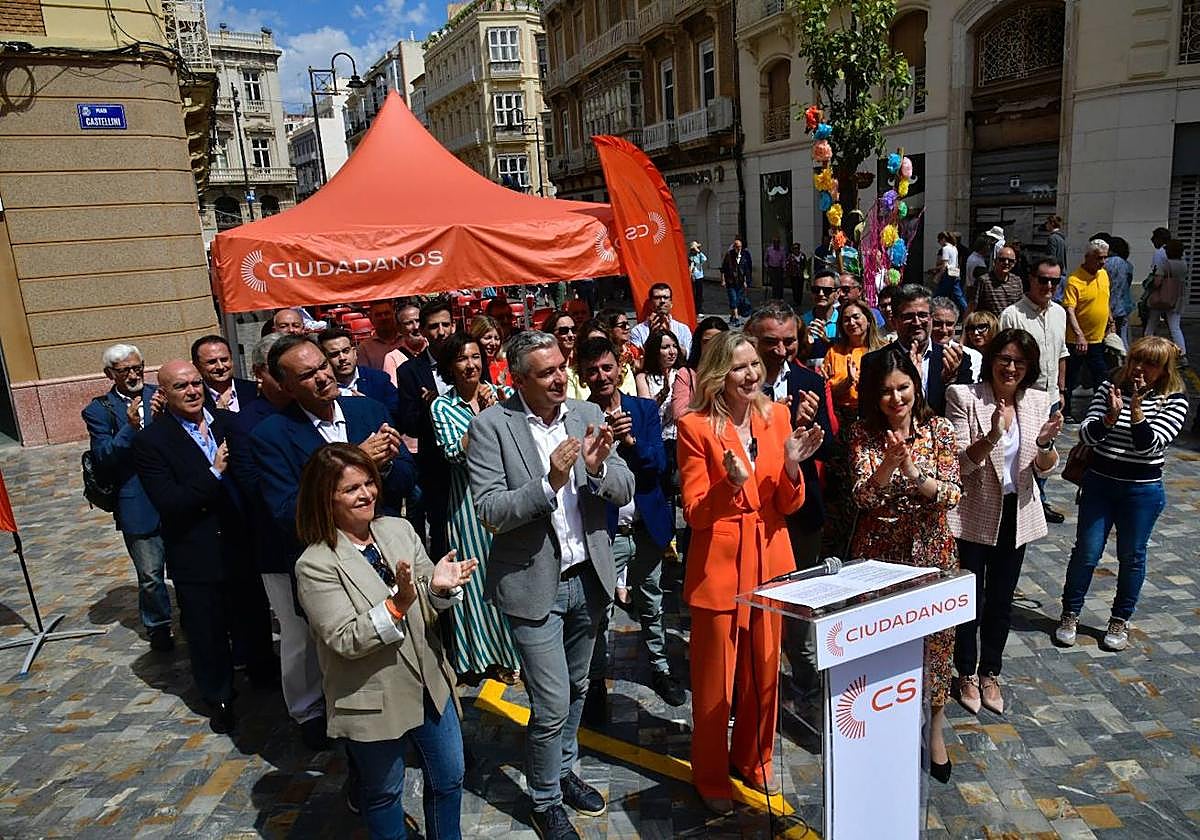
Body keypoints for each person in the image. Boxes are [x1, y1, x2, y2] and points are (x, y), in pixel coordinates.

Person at [465, 330, 634, 839]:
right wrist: (548, 484)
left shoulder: (586, 413)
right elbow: (490, 510)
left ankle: (563, 771)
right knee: (552, 699)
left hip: (589, 578)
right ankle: (544, 799)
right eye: (547, 372)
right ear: (519, 380)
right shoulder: (491, 427)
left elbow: (625, 486)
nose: (561, 378)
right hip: (532, 584)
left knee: (578, 687)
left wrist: (596, 470)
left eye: (562, 366)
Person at [294, 443, 475, 838]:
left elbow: (427, 599)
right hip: (371, 698)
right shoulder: (315, 564)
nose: (367, 494)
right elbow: (344, 638)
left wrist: (440, 589)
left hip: (429, 684)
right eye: (351, 489)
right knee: (384, 794)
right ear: (325, 498)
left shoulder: (398, 529)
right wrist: (397, 605)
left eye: (369, 483)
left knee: (449, 779)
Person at [676, 331, 823, 814]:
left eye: (755, 364)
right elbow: (696, 513)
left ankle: (755, 759)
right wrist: (729, 486)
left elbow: (787, 504)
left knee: (764, 673)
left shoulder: (777, 416)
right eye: (740, 367)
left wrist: (794, 468)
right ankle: (710, 774)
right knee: (715, 683)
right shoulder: (695, 427)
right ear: (719, 375)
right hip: (719, 569)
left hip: (770, 560)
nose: (751, 374)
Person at [134, 360, 275, 734]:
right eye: (181, 386)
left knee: (252, 616)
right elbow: (170, 501)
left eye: (196, 383)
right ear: (164, 394)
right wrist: (213, 473)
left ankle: (263, 674)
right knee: (206, 631)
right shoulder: (152, 442)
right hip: (195, 551)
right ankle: (220, 697)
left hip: (240, 543)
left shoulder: (226, 424)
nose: (193, 391)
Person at [848, 347, 961, 782]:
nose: (896, 399)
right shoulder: (863, 433)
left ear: (916, 386)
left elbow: (952, 494)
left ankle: (934, 729)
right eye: (886, 392)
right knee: (882, 644)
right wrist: (885, 468)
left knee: (937, 645)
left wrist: (913, 472)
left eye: (903, 388)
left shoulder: (939, 429)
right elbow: (862, 497)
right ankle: (884, 727)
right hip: (880, 556)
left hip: (932, 554)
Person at [946, 329, 1062, 716]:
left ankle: (990, 671)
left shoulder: (1038, 401)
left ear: (1029, 368)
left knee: (1001, 599)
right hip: (973, 513)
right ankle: (965, 671)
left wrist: (1044, 445)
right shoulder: (964, 397)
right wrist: (993, 434)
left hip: (1017, 512)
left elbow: (1044, 469)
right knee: (969, 599)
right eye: (1004, 359)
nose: (1010, 368)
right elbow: (960, 463)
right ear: (991, 360)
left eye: (1019, 362)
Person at [225, 333, 328, 745]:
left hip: (327, 538)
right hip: (279, 544)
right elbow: (257, 490)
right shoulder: (249, 424)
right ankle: (307, 711)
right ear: (268, 375)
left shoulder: (322, 410)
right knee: (298, 634)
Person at [1055, 337, 1188, 652]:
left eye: (1150, 363)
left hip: (1141, 492)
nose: (1140, 368)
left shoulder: (1174, 399)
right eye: (1136, 360)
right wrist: (1109, 419)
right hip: (1100, 485)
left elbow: (1150, 446)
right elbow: (1086, 434)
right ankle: (1070, 613)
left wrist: (1137, 410)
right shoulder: (1110, 387)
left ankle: (1120, 619)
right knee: (1086, 552)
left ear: (1164, 369)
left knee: (1132, 556)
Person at [579, 337, 685, 715]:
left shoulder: (643, 409)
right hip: (604, 531)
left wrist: (629, 440)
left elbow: (658, 466)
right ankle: (595, 682)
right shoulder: (579, 415)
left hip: (644, 526)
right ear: (582, 375)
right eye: (592, 371)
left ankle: (660, 668)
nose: (601, 376)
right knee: (599, 610)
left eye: (607, 367)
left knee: (652, 601)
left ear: (619, 368)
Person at [428, 333, 521, 684]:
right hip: (468, 504)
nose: (471, 365)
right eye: (462, 359)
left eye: (475, 357)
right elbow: (455, 453)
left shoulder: (504, 395)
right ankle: (484, 656)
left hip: (506, 495)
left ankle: (516, 651)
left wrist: (497, 406)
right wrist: (482, 416)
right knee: (479, 581)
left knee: (511, 577)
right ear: (450, 367)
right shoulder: (442, 406)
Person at [82, 344, 172, 651]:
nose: (134, 375)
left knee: (186, 564)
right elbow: (104, 456)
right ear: (110, 374)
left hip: (173, 494)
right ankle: (158, 627)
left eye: (138, 368)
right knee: (150, 574)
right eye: (125, 371)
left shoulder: (160, 395)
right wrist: (130, 429)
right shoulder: (99, 410)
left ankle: (194, 617)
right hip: (137, 502)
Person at [395, 300, 457, 557]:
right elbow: (408, 423)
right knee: (442, 531)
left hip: (474, 461)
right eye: (433, 326)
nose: (441, 332)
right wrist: (432, 408)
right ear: (422, 330)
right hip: (436, 466)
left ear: (453, 326)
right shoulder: (409, 371)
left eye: (445, 324)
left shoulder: (470, 360)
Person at [862, 284, 973, 416]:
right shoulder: (874, 363)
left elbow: (965, 410)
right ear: (895, 321)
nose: (917, 322)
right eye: (908, 316)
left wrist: (950, 380)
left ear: (931, 318)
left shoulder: (956, 360)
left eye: (922, 315)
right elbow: (869, 413)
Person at [1063, 240, 1112, 420]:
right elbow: (1070, 310)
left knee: (1101, 376)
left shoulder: (1103, 274)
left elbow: (1105, 299)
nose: (1103, 262)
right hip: (1077, 341)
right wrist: (1079, 335)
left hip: (1097, 339)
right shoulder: (1074, 280)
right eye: (1099, 258)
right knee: (1071, 377)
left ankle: (1100, 409)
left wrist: (1111, 321)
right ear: (1088, 257)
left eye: (1105, 257)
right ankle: (1066, 411)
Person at [822, 299, 886, 422]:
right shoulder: (834, 352)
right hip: (841, 418)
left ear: (868, 320)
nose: (851, 323)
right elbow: (827, 392)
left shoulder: (883, 350)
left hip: (875, 416)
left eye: (856, 317)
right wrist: (848, 382)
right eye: (846, 320)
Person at [318, 327, 400, 420]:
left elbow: (397, 414)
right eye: (334, 354)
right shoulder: (322, 389)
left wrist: (370, 406)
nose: (342, 358)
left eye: (346, 351)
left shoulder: (379, 379)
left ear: (354, 352)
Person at [635, 329, 684, 483]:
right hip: (657, 442)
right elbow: (646, 412)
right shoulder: (643, 377)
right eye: (665, 347)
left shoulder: (683, 374)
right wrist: (663, 394)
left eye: (674, 346)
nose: (672, 352)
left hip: (680, 441)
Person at [672, 315, 730, 420]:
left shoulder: (734, 372)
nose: (712, 346)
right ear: (699, 344)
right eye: (707, 341)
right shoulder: (686, 374)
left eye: (718, 341)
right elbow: (679, 414)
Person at [1143, 238, 1189, 362]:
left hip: (1161, 298)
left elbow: (1157, 283)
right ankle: (1182, 354)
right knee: (1175, 327)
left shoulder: (1165, 264)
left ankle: (1145, 349)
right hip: (1177, 298)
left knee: (1151, 324)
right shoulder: (1183, 265)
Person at [192, 335, 256, 413]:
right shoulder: (194, 400)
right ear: (196, 366)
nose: (220, 367)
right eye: (212, 362)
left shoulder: (254, 390)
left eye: (224, 360)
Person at [628, 282, 693, 357]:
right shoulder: (637, 331)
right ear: (650, 303)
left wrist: (670, 334)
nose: (662, 301)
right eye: (657, 298)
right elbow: (638, 357)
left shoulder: (683, 329)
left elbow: (687, 355)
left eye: (666, 297)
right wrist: (651, 336)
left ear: (671, 303)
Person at [540, 310, 586, 400]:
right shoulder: (545, 367)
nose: (571, 335)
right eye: (564, 331)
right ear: (550, 335)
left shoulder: (583, 360)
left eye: (574, 330)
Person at [380, 302, 431, 382]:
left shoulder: (434, 349)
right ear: (399, 328)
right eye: (409, 323)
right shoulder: (393, 358)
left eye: (418, 321)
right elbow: (393, 387)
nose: (416, 327)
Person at [969, 246, 1023, 317]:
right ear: (995, 261)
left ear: (1014, 263)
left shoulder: (1017, 281)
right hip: (989, 322)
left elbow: (1020, 306)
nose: (1006, 262)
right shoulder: (984, 281)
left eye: (1010, 261)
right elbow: (972, 306)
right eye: (1002, 260)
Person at [597, 308, 640, 394]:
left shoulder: (633, 351)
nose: (627, 327)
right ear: (609, 328)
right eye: (622, 325)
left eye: (627, 324)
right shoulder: (601, 357)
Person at [358, 300, 406, 369]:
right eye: (378, 315)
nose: (384, 318)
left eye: (387, 313)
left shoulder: (406, 339)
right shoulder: (364, 348)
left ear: (394, 315)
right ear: (371, 319)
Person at [1104, 236, 1134, 348]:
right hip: (1124, 305)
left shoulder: (1107, 263)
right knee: (1123, 336)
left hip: (1110, 304)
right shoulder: (1128, 265)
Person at [720, 238, 753, 325]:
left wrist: (746, 281)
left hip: (740, 282)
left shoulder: (744, 255)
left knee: (737, 300)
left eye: (740, 247)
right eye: (737, 247)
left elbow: (746, 270)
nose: (738, 249)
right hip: (730, 281)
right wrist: (723, 280)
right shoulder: (729, 255)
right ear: (734, 247)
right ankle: (737, 318)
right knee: (733, 298)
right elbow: (723, 268)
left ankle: (732, 316)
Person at [802, 269, 840, 341]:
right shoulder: (803, 322)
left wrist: (826, 341)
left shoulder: (844, 321)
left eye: (827, 290)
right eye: (816, 290)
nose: (821, 294)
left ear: (837, 293)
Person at [933, 231, 965, 315]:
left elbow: (945, 264)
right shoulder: (954, 248)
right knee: (958, 295)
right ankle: (966, 310)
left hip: (948, 274)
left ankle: (931, 310)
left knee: (938, 294)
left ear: (943, 239)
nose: (938, 242)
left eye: (939, 240)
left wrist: (938, 275)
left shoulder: (945, 248)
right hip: (955, 273)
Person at [785, 241, 808, 308]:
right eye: (794, 248)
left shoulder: (802, 255)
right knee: (795, 288)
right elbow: (788, 266)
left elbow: (805, 265)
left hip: (800, 275)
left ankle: (799, 301)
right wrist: (788, 273)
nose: (796, 250)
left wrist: (805, 273)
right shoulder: (790, 257)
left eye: (797, 248)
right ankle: (795, 300)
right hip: (793, 275)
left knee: (800, 288)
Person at [1044, 215, 1067, 279]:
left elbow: (1051, 257)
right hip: (1062, 273)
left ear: (1052, 223)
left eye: (1047, 223)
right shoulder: (1061, 238)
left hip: (1055, 274)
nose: (1046, 225)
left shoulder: (1052, 238)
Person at [765, 235, 788, 299]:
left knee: (780, 283)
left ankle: (780, 297)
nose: (776, 244)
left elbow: (784, 260)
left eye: (777, 242)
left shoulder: (782, 250)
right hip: (771, 268)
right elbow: (766, 259)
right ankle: (774, 296)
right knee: (774, 283)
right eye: (775, 242)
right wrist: (766, 267)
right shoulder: (769, 249)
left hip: (779, 268)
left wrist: (784, 269)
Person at [689, 241, 708, 311]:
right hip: (691, 277)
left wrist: (699, 252)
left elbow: (705, 259)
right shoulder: (689, 256)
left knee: (699, 293)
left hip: (699, 276)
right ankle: (693, 308)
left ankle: (699, 309)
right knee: (693, 293)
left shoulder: (699, 255)